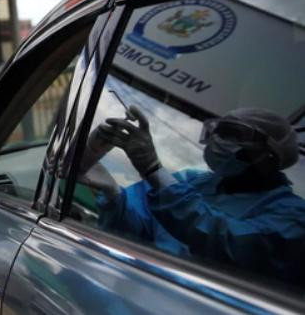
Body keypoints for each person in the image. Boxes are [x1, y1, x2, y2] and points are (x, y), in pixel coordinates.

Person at [88, 106, 305, 285]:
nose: (218, 140)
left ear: (269, 155)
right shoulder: (191, 181)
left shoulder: (293, 217)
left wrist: (154, 170)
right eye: (216, 131)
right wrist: (113, 196)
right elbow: (135, 233)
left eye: (233, 134)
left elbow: (231, 246)